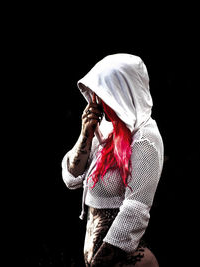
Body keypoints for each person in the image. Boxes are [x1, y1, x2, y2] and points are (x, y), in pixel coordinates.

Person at [61, 53, 164, 266]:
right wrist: (85, 134)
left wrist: (99, 264)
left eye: (105, 94)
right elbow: (72, 177)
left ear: (122, 92)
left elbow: (136, 210)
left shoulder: (146, 138)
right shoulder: (106, 131)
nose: (98, 102)